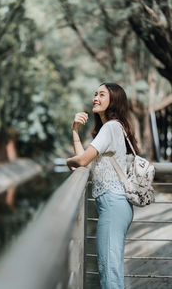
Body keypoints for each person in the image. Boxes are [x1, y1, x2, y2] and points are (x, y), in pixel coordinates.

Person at [66, 83, 139, 289]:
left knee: (109, 271)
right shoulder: (111, 128)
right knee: (110, 268)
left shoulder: (111, 127)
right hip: (115, 205)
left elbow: (80, 162)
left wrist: (67, 161)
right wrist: (75, 130)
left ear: (113, 100)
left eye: (101, 94)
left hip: (113, 204)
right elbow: (84, 159)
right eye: (95, 94)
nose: (95, 98)